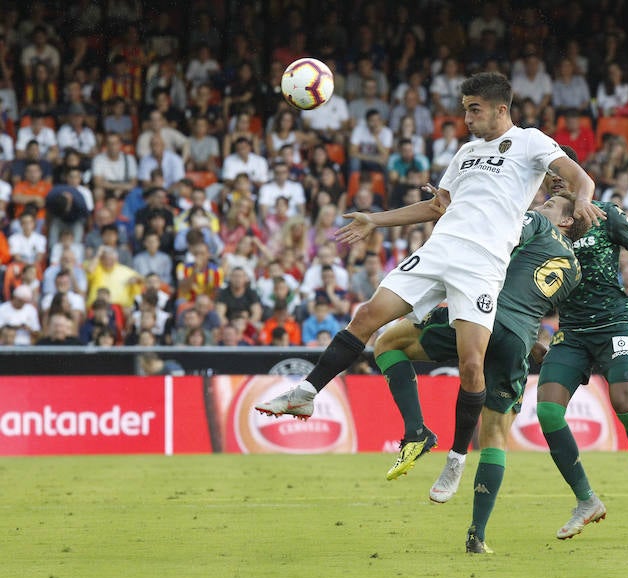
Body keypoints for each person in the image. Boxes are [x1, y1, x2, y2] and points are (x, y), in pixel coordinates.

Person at [255, 73, 600, 447]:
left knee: (471, 365)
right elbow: (438, 205)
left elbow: (580, 177)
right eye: (465, 109)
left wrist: (582, 199)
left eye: (474, 109)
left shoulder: (530, 140)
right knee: (368, 314)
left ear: (501, 109)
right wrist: (376, 219)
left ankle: (456, 456)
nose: (466, 119)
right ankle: (306, 393)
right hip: (440, 248)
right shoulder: (466, 153)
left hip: (482, 262)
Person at [372, 192, 586, 553]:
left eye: (549, 205)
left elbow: (493, 233)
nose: (539, 207)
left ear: (565, 220)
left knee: (386, 344)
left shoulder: (535, 224)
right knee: (496, 437)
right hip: (518, 339)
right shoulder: (575, 271)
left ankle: (418, 431)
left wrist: (460, 203)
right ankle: (477, 536)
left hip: (479, 315)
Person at [535, 187, 628, 540]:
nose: (552, 184)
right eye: (547, 178)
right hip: (572, 331)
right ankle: (586, 500)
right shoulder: (540, 226)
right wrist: (534, 333)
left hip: (614, 323)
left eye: (559, 175)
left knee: (625, 401)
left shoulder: (605, 215)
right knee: (548, 412)